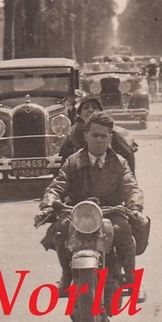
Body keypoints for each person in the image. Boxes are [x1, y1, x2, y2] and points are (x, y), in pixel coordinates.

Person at [36, 113, 145, 292]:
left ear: (110, 138)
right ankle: (67, 274)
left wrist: (135, 206)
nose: (99, 140)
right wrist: (48, 203)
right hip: (78, 213)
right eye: (95, 135)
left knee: (123, 230)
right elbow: (58, 184)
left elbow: (131, 187)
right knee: (61, 229)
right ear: (86, 135)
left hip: (110, 212)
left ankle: (131, 279)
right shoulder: (72, 161)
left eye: (104, 136)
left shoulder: (120, 163)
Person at [60, 96, 138, 172]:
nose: (90, 110)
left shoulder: (114, 133)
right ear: (79, 114)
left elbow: (127, 162)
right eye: (86, 107)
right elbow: (65, 168)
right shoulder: (73, 135)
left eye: (94, 107)